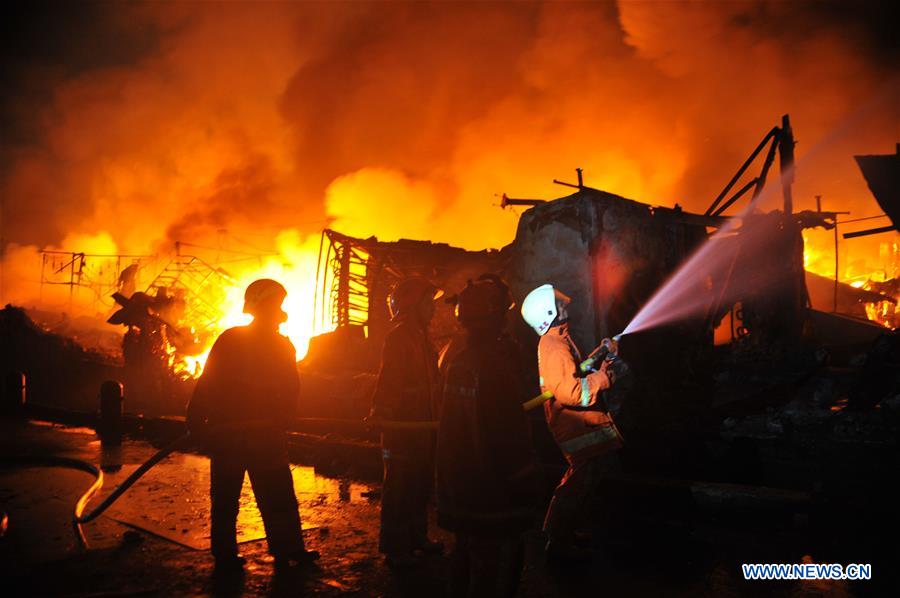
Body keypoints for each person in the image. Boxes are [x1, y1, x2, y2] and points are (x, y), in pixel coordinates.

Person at [187, 279, 318, 571]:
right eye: (276, 304)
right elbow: (209, 382)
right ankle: (230, 555)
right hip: (237, 435)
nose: (280, 310)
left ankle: (288, 550)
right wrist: (196, 418)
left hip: (258, 434)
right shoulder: (236, 340)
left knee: (276, 495)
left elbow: (289, 388)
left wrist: (285, 415)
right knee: (231, 498)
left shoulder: (271, 343)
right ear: (263, 307)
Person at [437, 277, 539, 597]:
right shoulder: (494, 364)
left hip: (461, 482)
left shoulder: (456, 358)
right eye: (504, 313)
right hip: (494, 488)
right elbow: (505, 430)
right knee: (495, 565)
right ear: (495, 316)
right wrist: (524, 478)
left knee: (465, 554)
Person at [520, 283, 622, 561]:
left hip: (581, 424)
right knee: (578, 482)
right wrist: (603, 379)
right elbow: (572, 391)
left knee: (586, 480)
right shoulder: (552, 345)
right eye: (559, 304)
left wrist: (599, 356)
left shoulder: (559, 339)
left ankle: (566, 531)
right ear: (550, 313)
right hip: (574, 426)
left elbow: (574, 373)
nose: (566, 306)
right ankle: (556, 536)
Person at [369, 277, 445, 567]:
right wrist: (381, 414)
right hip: (401, 430)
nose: (433, 309)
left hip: (423, 428)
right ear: (411, 307)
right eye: (428, 303)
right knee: (399, 488)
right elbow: (389, 382)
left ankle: (416, 538)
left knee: (419, 485)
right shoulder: (399, 338)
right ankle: (394, 547)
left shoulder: (422, 339)